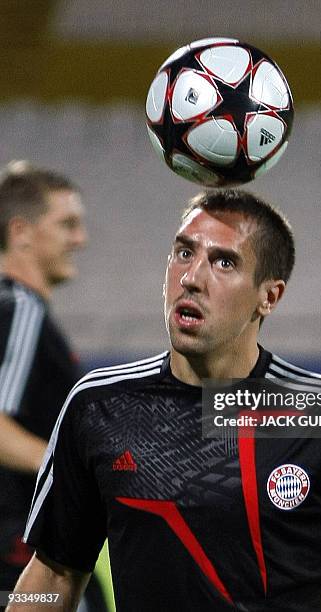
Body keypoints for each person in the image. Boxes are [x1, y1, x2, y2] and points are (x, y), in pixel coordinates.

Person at [9, 189, 321, 611]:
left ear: (269, 296)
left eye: (224, 262)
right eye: (183, 253)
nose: (192, 277)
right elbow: (53, 575)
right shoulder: (98, 406)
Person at [0, 161, 107, 611]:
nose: (80, 239)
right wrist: (76, 472)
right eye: (67, 224)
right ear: (21, 232)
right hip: (16, 557)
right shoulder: (19, 308)